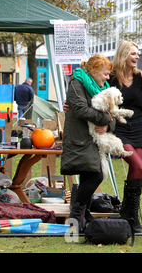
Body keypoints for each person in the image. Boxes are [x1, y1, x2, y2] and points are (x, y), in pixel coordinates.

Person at [61, 54, 116, 232]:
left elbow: (112, 114)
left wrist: (107, 123)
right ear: (93, 71)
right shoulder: (77, 82)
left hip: (93, 139)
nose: (107, 78)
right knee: (95, 175)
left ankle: (83, 213)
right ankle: (76, 214)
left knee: (88, 174)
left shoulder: (102, 88)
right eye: (105, 74)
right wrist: (105, 118)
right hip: (81, 137)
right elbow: (80, 109)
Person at [108, 40, 142, 233]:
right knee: (139, 166)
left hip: (138, 127)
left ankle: (128, 215)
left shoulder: (141, 77)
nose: (137, 57)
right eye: (133, 53)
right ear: (123, 55)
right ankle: (131, 215)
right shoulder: (111, 78)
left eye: (138, 53)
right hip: (120, 128)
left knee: (138, 170)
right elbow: (98, 99)